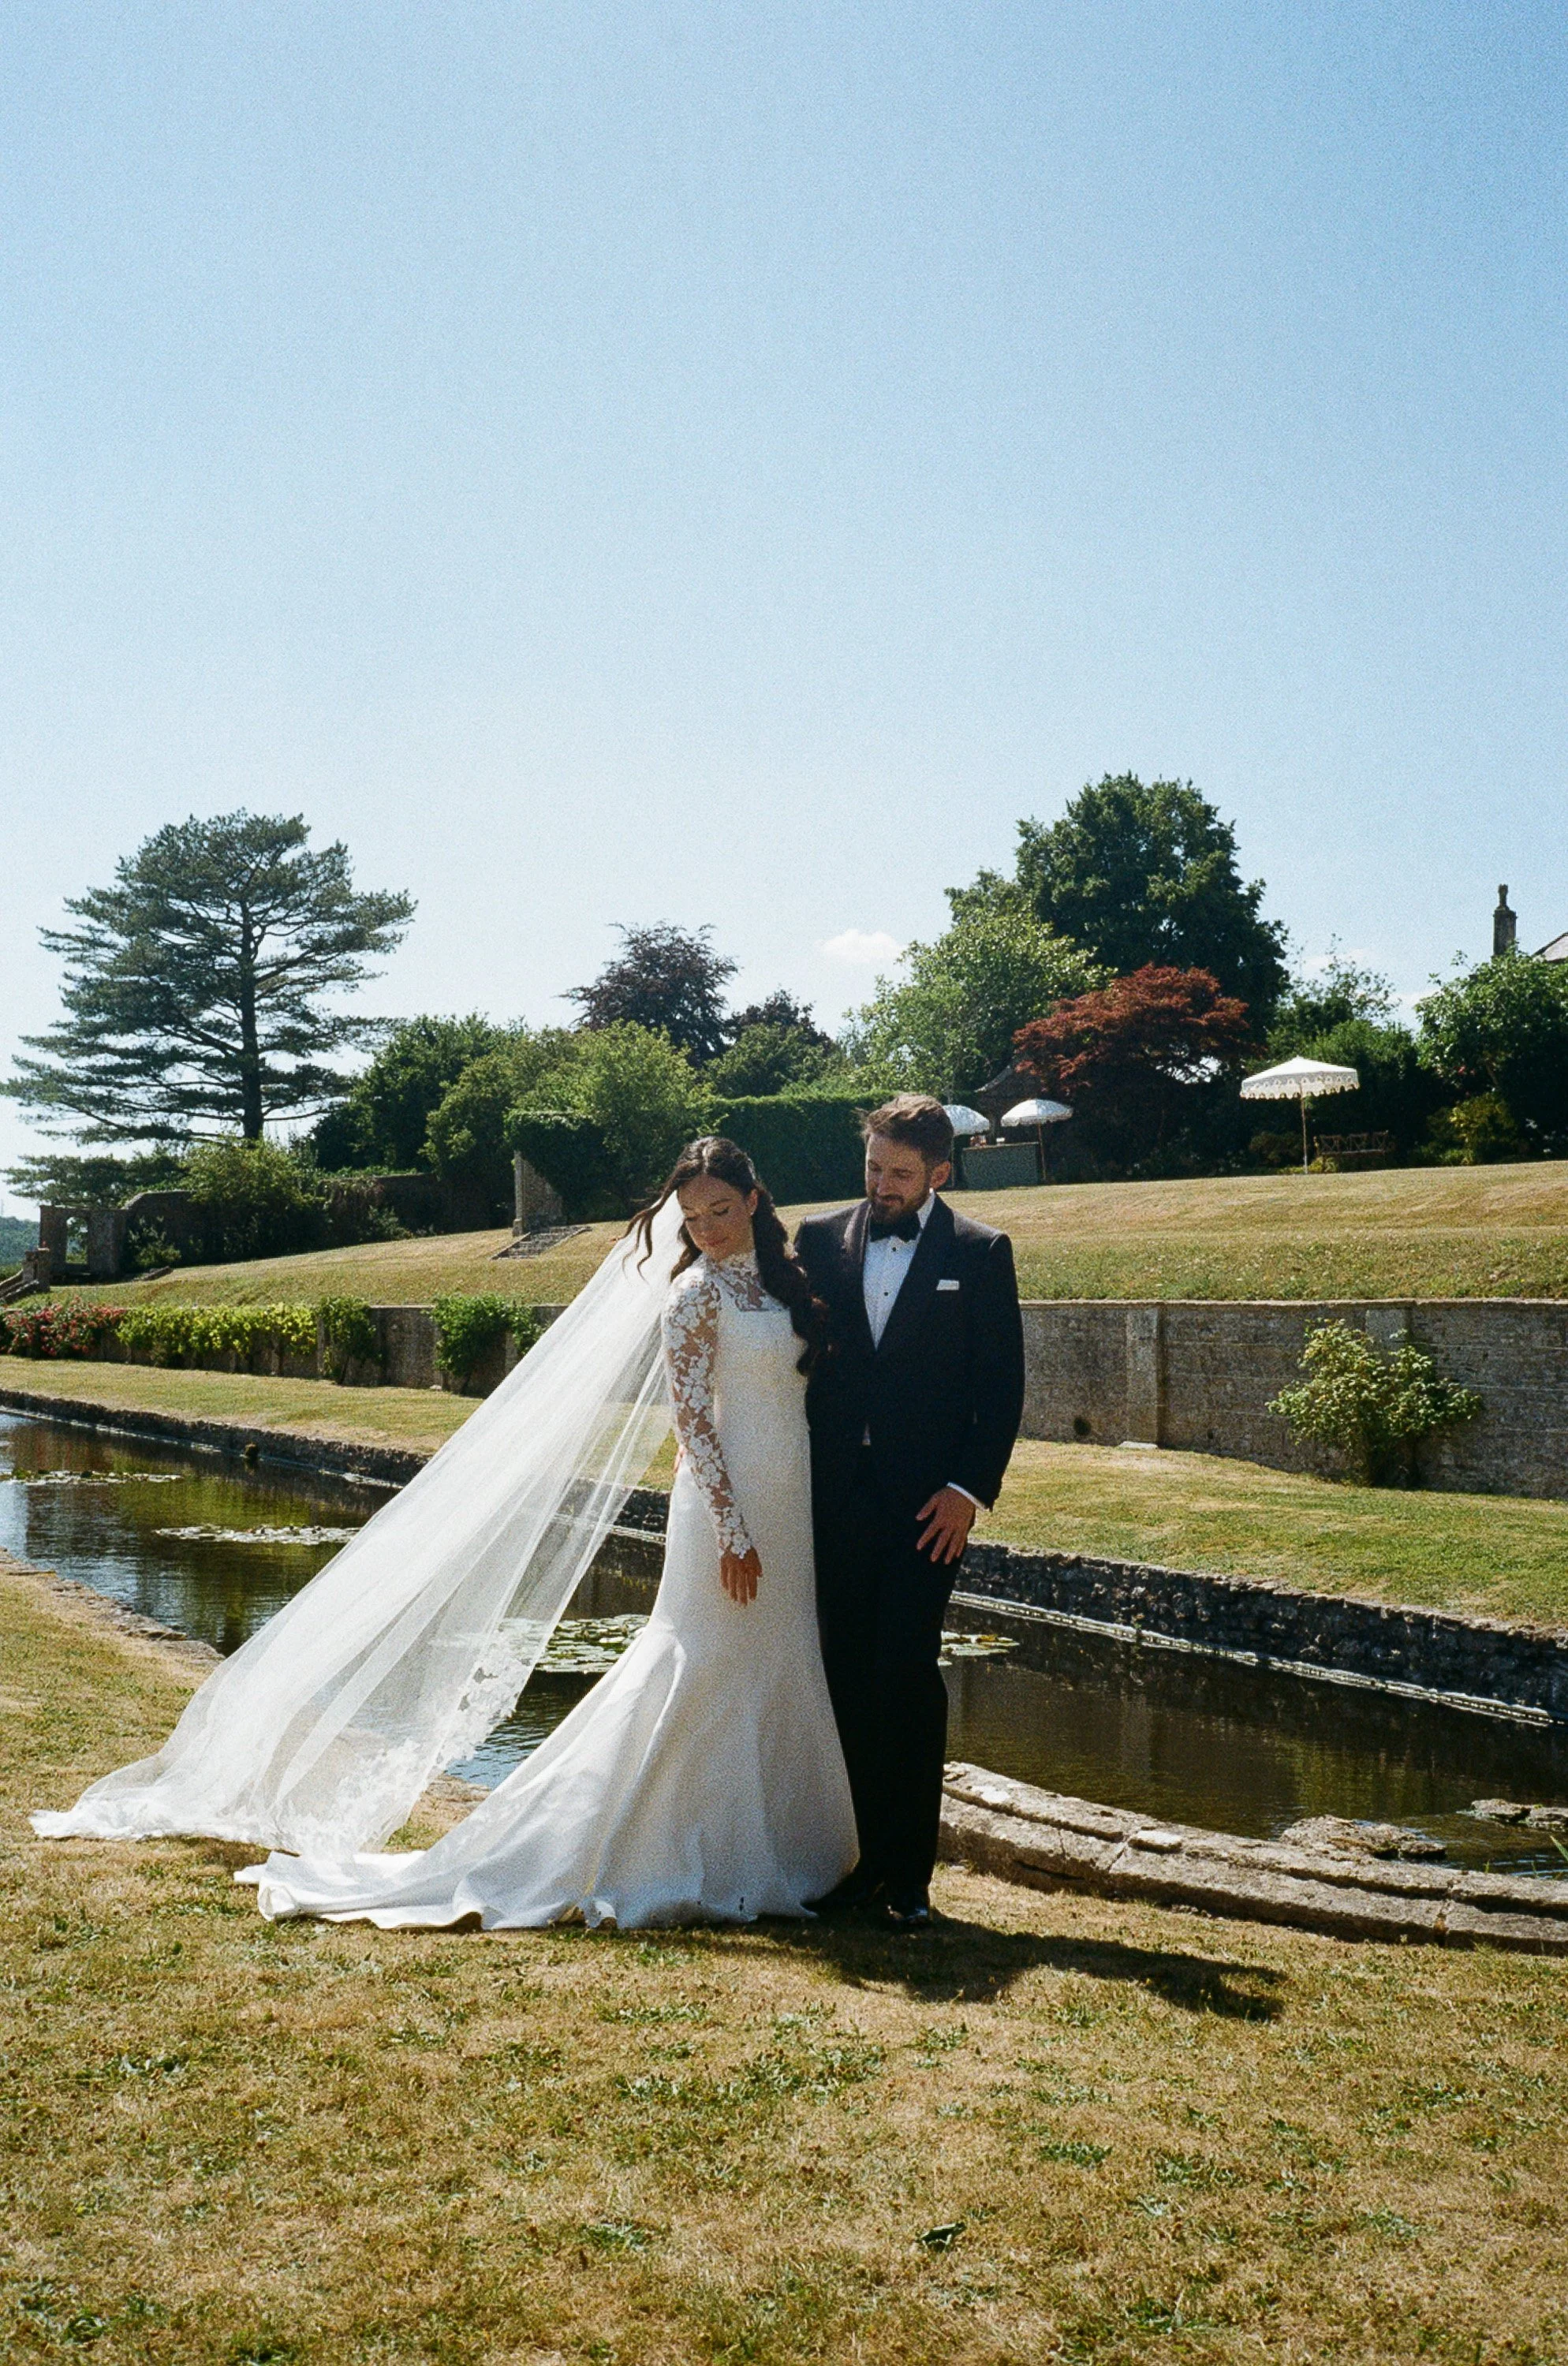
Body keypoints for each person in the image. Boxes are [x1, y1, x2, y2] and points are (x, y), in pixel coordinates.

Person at [236, 1139, 857, 1930]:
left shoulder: (783, 1281)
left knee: (775, 1657)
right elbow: (693, 1423)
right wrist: (733, 1531)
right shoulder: (692, 1295)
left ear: (754, 1201)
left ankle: (768, 1852)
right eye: (692, 1215)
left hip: (787, 1499)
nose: (706, 1228)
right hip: (722, 1510)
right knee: (701, 1664)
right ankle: (661, 1848)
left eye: (721, 1211)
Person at [795, 1095, 1025, 1931]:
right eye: (872, 1166)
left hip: (929, 1508)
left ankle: (910, 1877)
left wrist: (967, 1491)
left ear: (939, 1172)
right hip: (833, 1497)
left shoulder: (981, 1251)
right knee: (846, 1678)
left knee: (905, 1675)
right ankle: (860, 1866)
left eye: (898, 1172)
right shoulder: (818, 1239)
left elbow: (1001, 1386)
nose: (881, 1184)